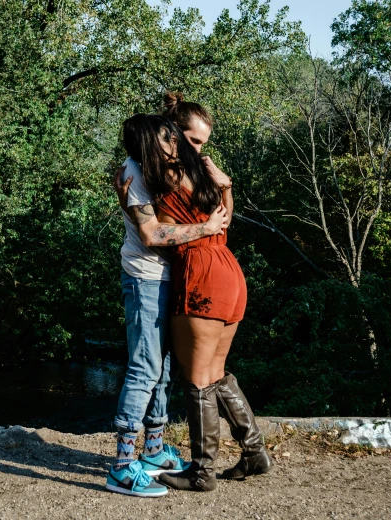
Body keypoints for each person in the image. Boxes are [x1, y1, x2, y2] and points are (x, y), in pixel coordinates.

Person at [118, 105, 272, 494]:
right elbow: (224, 220)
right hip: (229, 269)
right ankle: (254, 451)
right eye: (190, 140)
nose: (196, 149)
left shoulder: (160, 173)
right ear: (170, 134)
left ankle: (202, 472)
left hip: (201, 273)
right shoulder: (203, 174)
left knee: (198, 379)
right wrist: (227, 186)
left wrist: (130, 201)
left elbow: (155, 233)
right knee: (216, 371)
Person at [105, 106, 231, 497]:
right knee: (144, 367)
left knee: (163, 368)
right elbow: (151, 235)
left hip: (171, 277)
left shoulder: (158, 169)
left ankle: (154, 451)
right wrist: (206, 228)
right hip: (145, 280)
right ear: (151, 143)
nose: (177, 146)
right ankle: (122, 466)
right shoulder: (133, 173)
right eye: (171, 140)